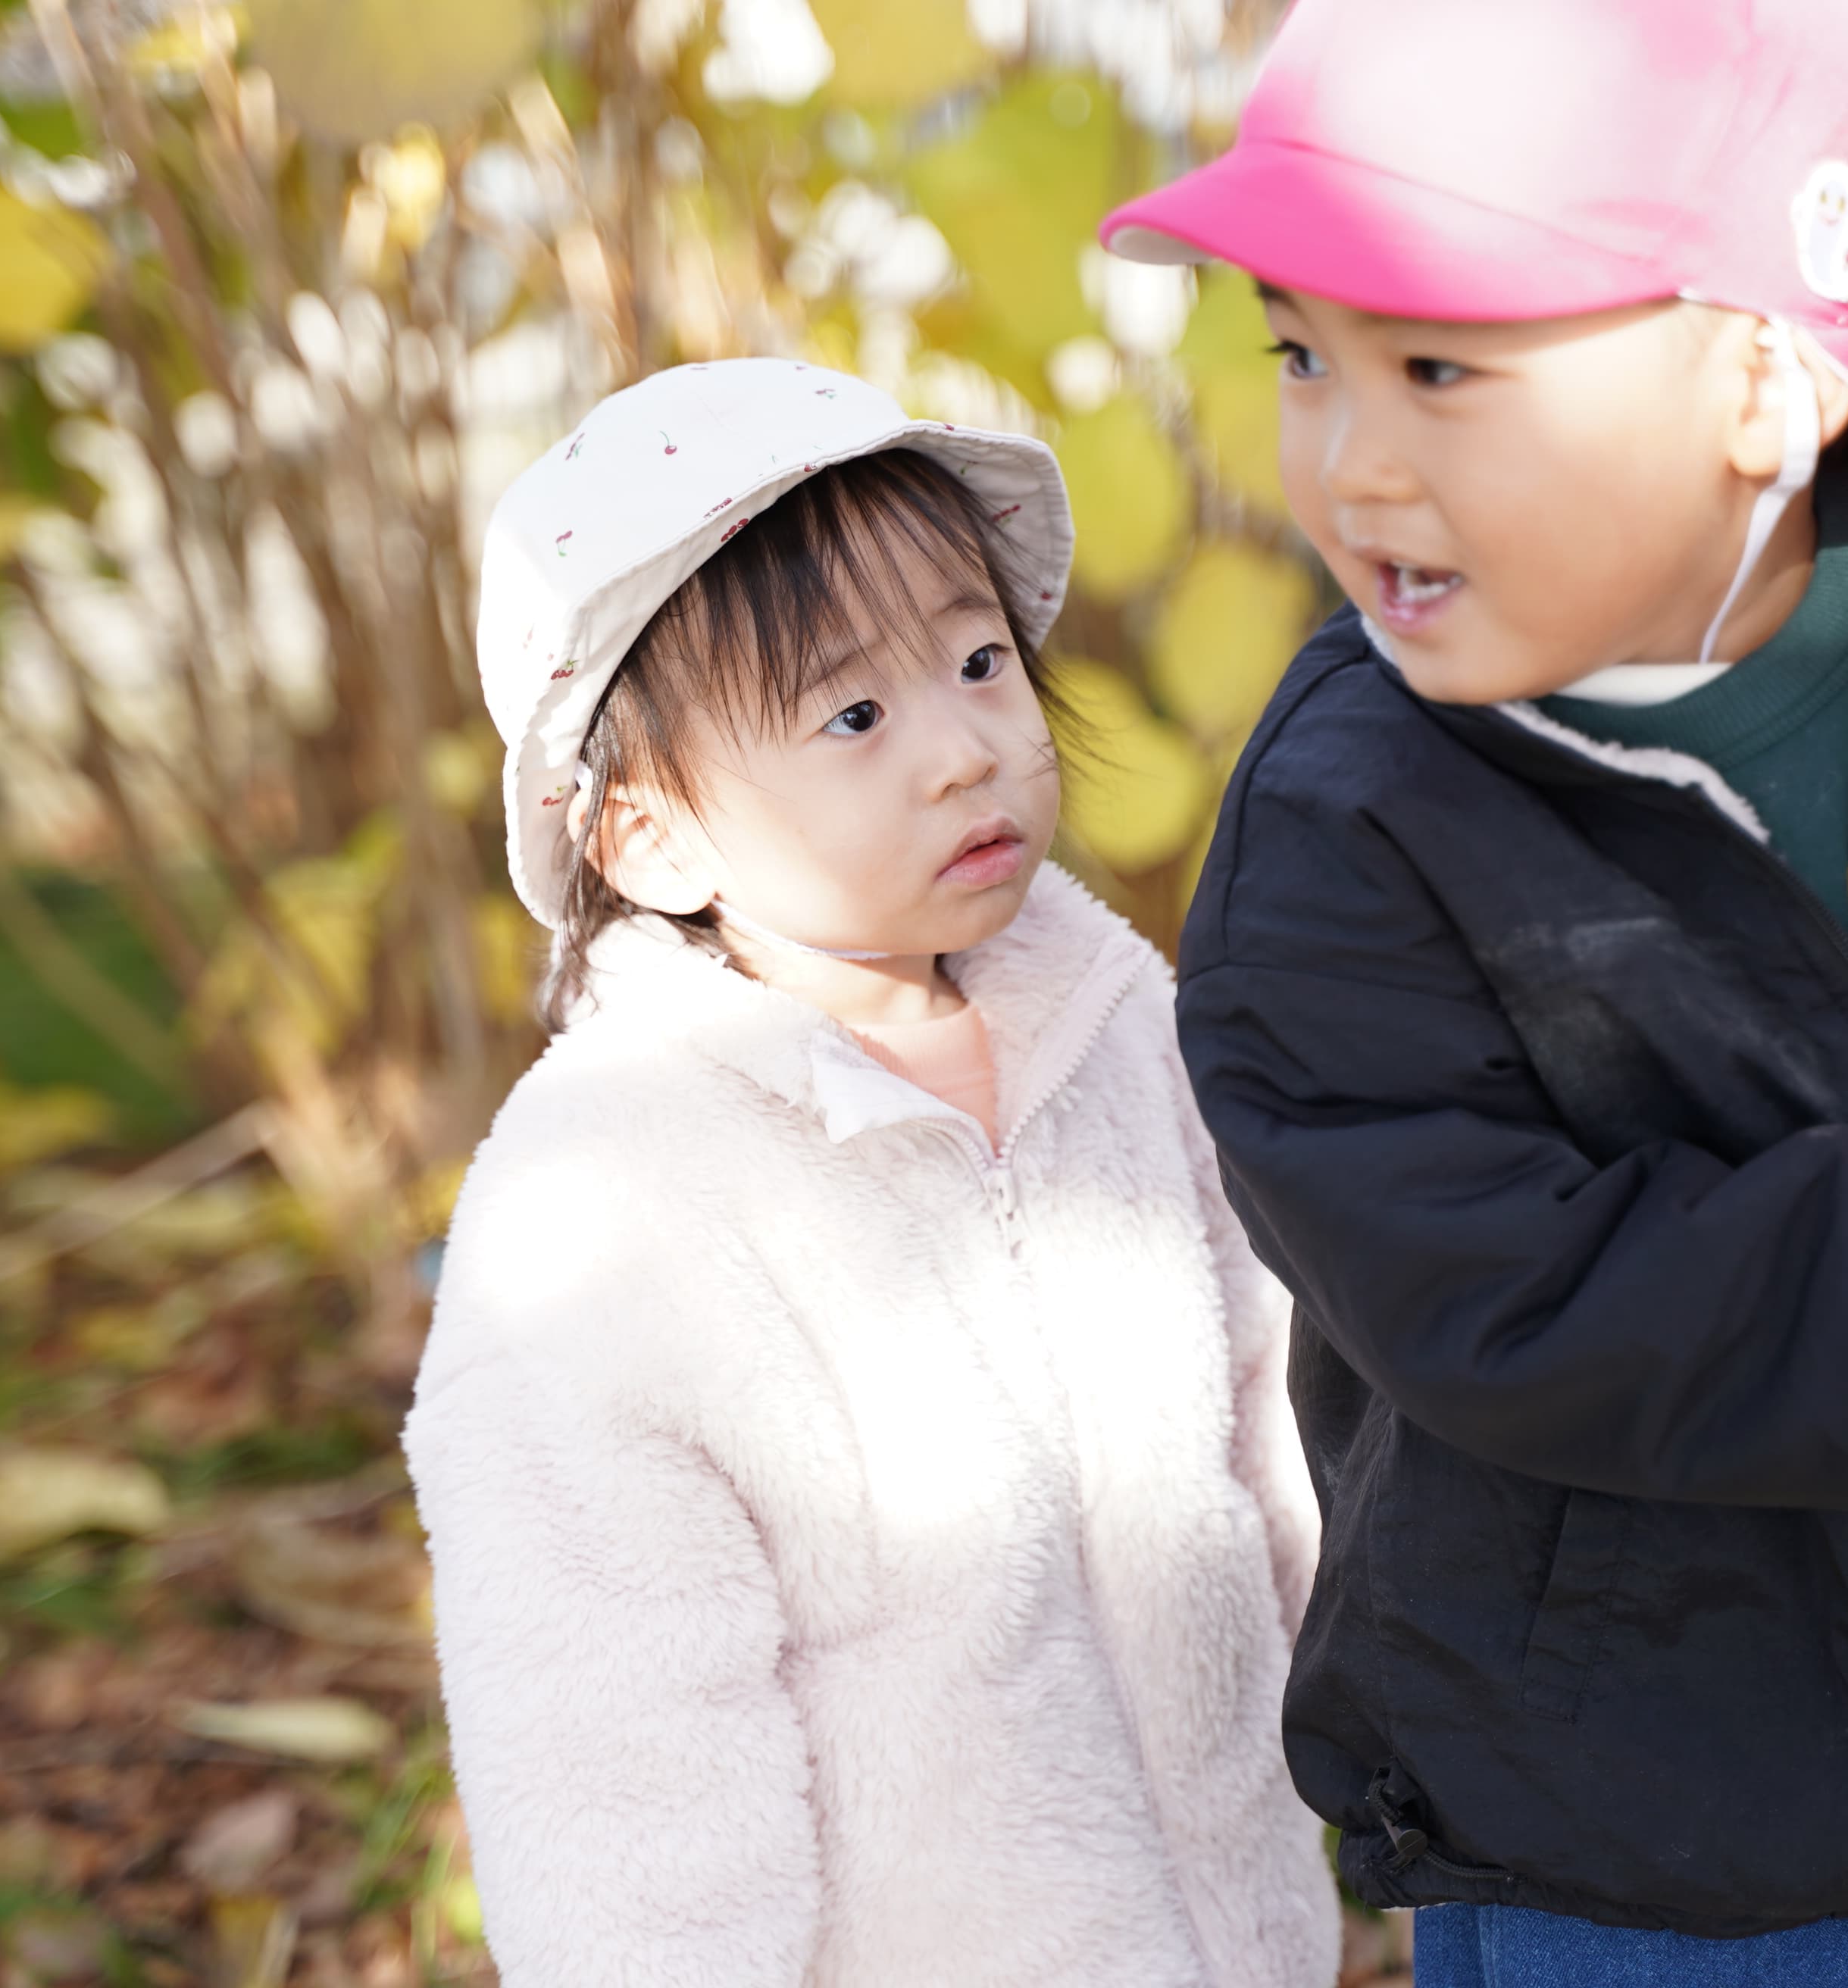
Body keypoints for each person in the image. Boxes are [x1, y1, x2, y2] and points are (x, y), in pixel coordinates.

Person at [1099, 0, 1848, 1980]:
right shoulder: (1356, 825)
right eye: (1302, 357)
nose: (1350, 462)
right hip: (1643, 1842)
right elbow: (1487, 1293)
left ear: (1766, 385)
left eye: (1440, 367)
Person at [402, 358, 1339, 1988]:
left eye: (980, 661)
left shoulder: (1120, 1029)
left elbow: (1280, 1415)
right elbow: (613, 1754)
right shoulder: (608, 1209)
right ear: (649, 839)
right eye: (854, 715)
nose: (967, 750)